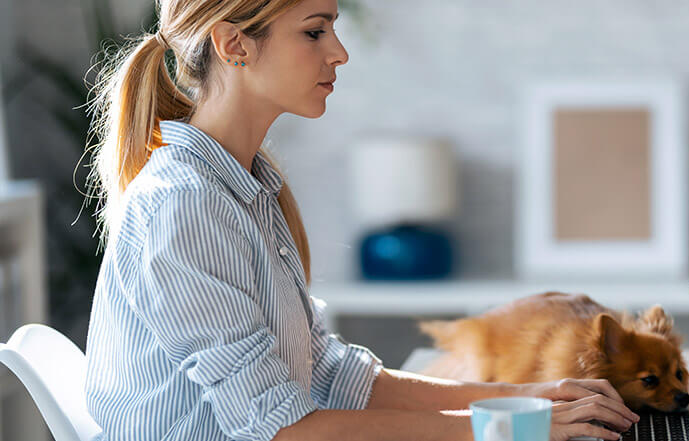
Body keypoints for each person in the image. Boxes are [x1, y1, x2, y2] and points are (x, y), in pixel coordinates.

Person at [83, 0, 640, 440]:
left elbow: (331, 376)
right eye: (314, 31)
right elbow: (283, 429)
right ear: (234, 45)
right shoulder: (186, 205)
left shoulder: (244, 189)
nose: (340, 52)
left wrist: (530, 399)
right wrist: (511, 429)